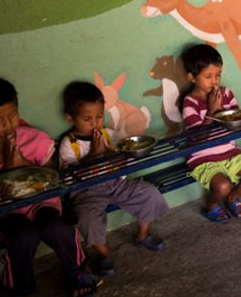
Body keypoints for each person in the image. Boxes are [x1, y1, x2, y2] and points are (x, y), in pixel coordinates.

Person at [0, 77, 97, 297]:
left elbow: (54, 176)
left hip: (41, 203)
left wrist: (26, 168)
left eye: (12, 114)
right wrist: (8, 174)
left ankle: (77, 272)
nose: (8, 124)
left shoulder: (33, 139)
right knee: (24, 235)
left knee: (57, 227)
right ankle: (12, 292)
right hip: (2, 214)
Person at [57, 82, 169, 277]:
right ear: (70, 117)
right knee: (87, 218)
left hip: (117, 184)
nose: (94, 123)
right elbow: (70, 178)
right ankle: (104, 253)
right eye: (86, 118)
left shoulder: (109, 135)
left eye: (99, 116)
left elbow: (125, 162)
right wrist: (93, 155)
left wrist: (109, 153)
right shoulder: (69, 144)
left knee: (149, 193)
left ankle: (142, 235)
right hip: (87, 192)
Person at [181, 44, 241, 223]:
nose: (214, 81)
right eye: (208, 76)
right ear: (192, 77)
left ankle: (232, 198)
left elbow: (235, 124)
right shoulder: (190, 103)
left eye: (218, 75)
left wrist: (224, 113)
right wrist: (211, 112)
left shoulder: (226, 94)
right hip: (203, 157)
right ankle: (210, 206)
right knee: (223, 185)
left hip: (229, 152)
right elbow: (197, 138)